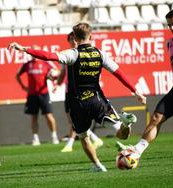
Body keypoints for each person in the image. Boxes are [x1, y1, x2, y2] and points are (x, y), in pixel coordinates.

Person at [8, 23, 146, 172]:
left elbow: (48, 56)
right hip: (97, 100)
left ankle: (98, 165)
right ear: (91, 36)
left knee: (84, 137)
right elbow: (118, 73)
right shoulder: (100, 54)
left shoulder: (72, 54)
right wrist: (135, 90)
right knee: (121, 134)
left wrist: (23, 49)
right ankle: (125, 124)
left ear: (74, 37)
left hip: (78, 103)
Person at [116, 9, 173, 163]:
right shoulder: (169, 43)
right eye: (169, 25)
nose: (172, 28)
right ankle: (137, 151)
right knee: (156, 118)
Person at [57, 32, 103, 152]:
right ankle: (96, 139)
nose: (73, 41)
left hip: (81, 92)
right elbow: (62, 74)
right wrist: (56, 82)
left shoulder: (84, 54)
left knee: (75, 119)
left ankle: (69, 144)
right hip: (69, 91)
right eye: (71, 40)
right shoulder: (67, 55)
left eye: (74, 39)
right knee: (71, 120)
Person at [15, 46, 59, 146]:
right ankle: (35, 138)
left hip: (44, 94)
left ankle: (54, 136)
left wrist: (55, 84)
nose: (33, 54)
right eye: (32, 52)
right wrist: (23, 86)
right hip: (32, 95)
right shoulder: (27, 64)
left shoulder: (46, 63)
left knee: (49, 115)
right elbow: (17, 75)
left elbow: (56, 74)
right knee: (34, 117)